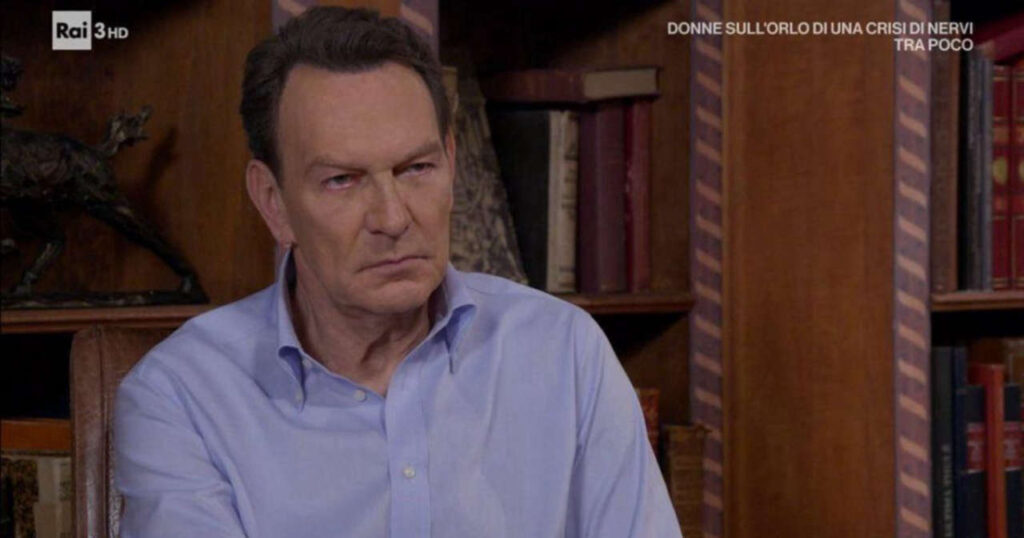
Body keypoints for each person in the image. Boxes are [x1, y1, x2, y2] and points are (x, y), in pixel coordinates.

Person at [114, 6, 681, 537]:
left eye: (416, 168)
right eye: (342, 180)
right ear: (273, 202)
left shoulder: (564, 351)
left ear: (452, 164)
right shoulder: (182, 396)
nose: (392, 219)